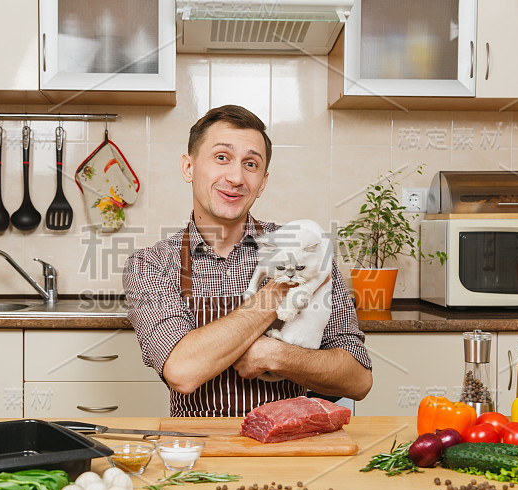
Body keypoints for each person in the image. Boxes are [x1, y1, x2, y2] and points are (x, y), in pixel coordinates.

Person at [122, 104, 372, 417]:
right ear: (188, 167)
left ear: (262, 182)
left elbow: (358, 380)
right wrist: (281, 287)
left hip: (288, 449)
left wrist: (278, 356)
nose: (236, 177)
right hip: (198, 451)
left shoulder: (305, 245)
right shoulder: (152, 264)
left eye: (250, 164)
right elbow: (182, 371)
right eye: (222, 157)